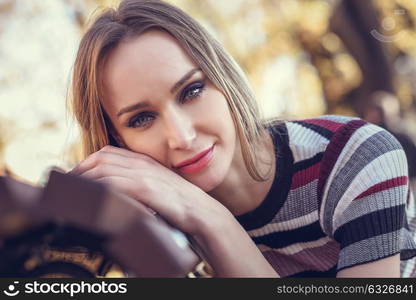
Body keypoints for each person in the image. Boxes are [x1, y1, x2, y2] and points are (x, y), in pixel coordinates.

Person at [68, 0, 416, 277]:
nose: (182, 136)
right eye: (141, 119)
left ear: (224, 79)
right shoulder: (154, 228)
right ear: (116, 140)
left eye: (191, 91)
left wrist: (213, 221)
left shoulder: (354, 157)